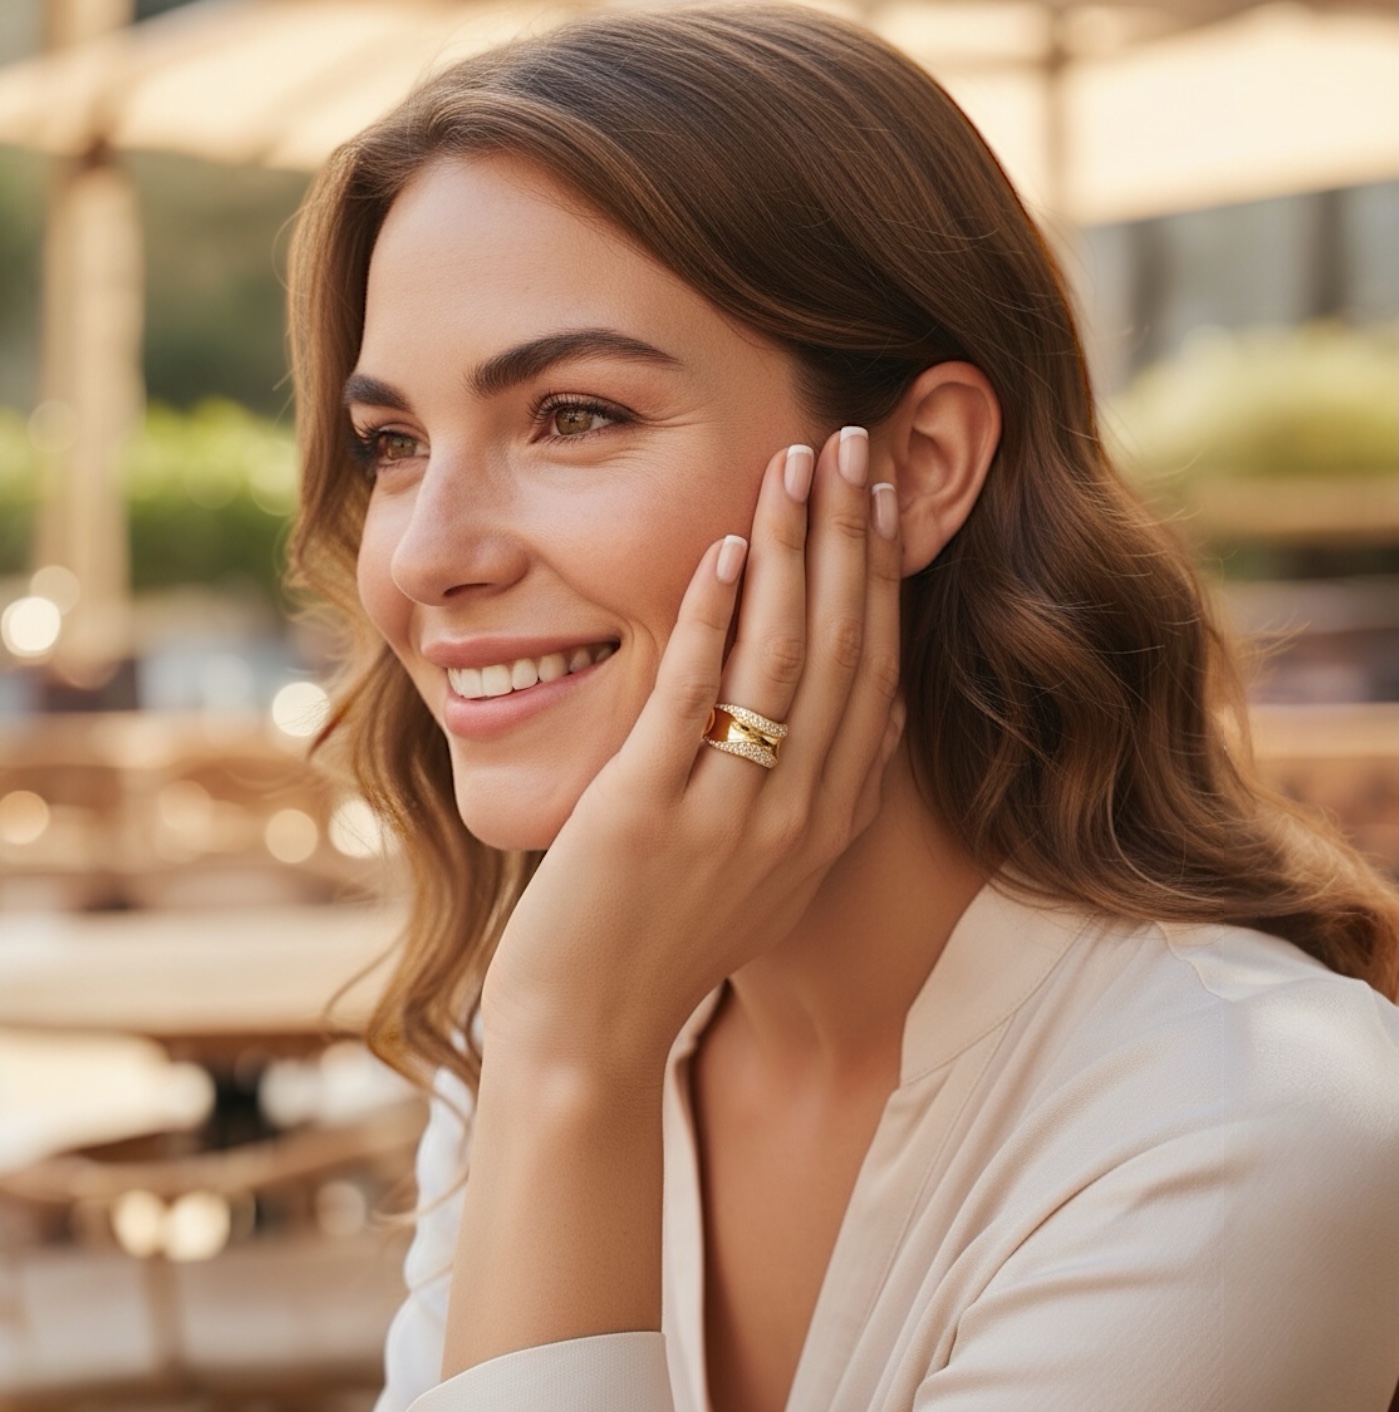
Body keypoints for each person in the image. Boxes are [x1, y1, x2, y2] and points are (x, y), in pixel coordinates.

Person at [286, 7, 1399, 1410]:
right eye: (393, 444)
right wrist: (568, 1058)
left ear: (921, 465)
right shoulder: (569, 1010)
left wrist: (573, 1064)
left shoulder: (1236, 1126)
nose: (429, 555)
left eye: (574, 413)